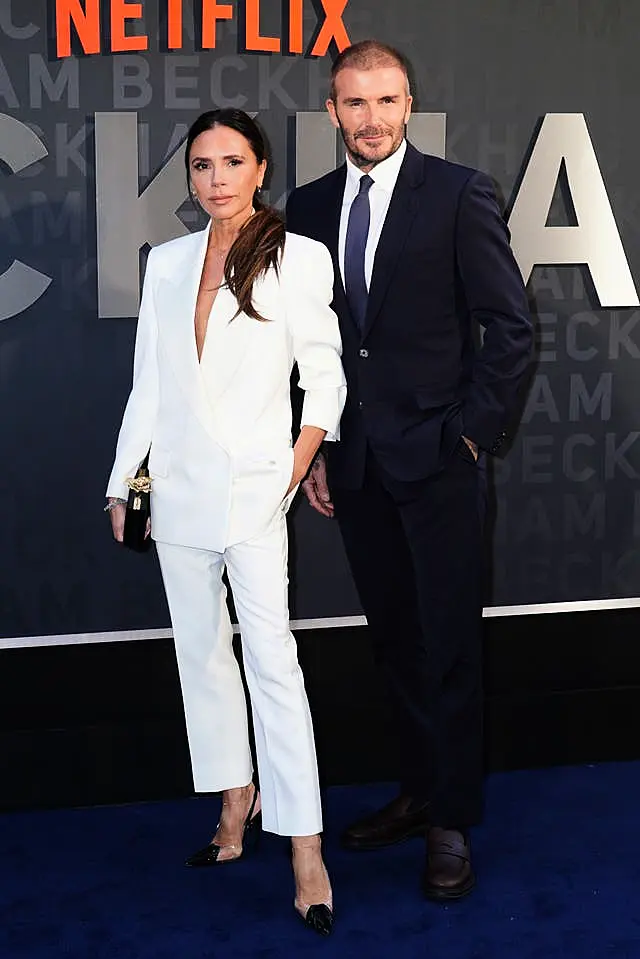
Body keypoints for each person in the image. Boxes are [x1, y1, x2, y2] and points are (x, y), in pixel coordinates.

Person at [286, 40, 533, 901]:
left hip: (440, 462)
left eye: (387, 101)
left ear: (408, 103)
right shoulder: (307, 204)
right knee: (394, 641)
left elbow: (511, 326)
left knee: (450, 643)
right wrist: (310, 445)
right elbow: (304, 341)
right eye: (356, 104)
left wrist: (469, 436)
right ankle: (419, 788)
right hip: (353, 467)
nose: (373, 119)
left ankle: (451, 818)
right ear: (332, 110)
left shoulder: (461, 193)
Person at [105, 109, 346, 936]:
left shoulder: (297, 256)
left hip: (253, 490)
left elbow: (324, 377)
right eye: (202, 165)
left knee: (272, 658)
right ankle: (233, 799)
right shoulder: (168, 263)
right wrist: (121, 482)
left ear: (261, 167)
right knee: (201, 656)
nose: (215, 178)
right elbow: (150, 383)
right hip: (174, 490)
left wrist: (293, 461)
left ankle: (305, 843)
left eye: (231, 162)